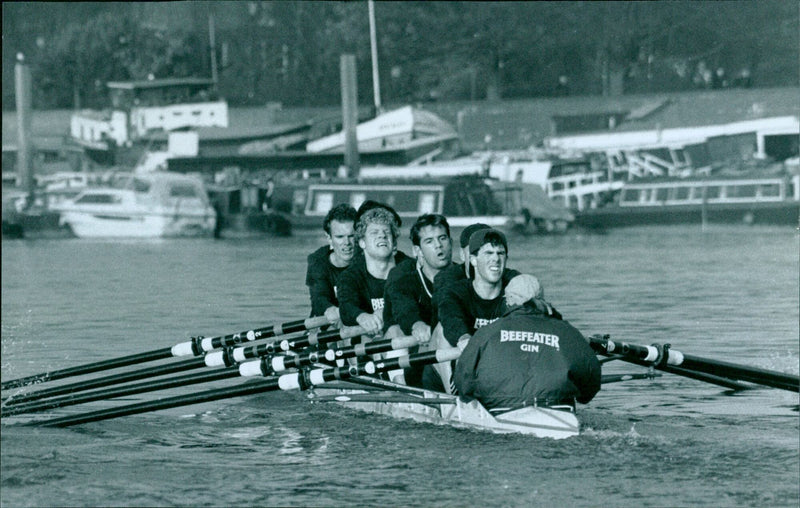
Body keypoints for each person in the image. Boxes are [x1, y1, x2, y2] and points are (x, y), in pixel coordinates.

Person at [453, 274, 601, 412]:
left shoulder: (485, 333)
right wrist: (582, 396)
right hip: (558, 409)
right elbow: (591, 381)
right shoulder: (568, 332)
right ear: (542, 300)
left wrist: (468, 396)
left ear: (509, 300)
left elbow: (463, 382)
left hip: (498, 410)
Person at [430, 228, 511, 392]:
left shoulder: (515, 287)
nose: (495, 259)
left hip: (490, 366)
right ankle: (454, 397)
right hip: (448, 367)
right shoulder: (454, 292)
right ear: (472, 260)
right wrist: (463, 337)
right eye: (488, 253)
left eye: (500, 253)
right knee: (441, 331)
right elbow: (450, 317)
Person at [338, 206, 409, 381]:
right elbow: (347, 307)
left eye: (387, 232)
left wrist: (386, 314)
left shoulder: (409, 269)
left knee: (395, 330)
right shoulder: (350, 276)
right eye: (374, 232)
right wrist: (362, 316)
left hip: (403, 338)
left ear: (394, 242)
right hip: (366, 342)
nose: (382, 236)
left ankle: (403, 383)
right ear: (361, 243)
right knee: (349, 328)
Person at [383, 214, 453, 387]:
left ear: (450, 242)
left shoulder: (463, 277)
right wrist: (416, 325)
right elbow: (404, 310)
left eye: (442, 238)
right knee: (395, 331)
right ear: (417, 251)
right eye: (429, 241)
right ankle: (400, 388)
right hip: (414, 355)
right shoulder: (404, 279)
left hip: (446, 350)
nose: (438, 246)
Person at [305, 204, 357, 324]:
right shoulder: (317, 261)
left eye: (351, 236)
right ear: (329, 238)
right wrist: (330, 310)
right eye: (340, 237)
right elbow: (319, 298)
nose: (347, 243)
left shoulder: (368, 259)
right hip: (328, 322)